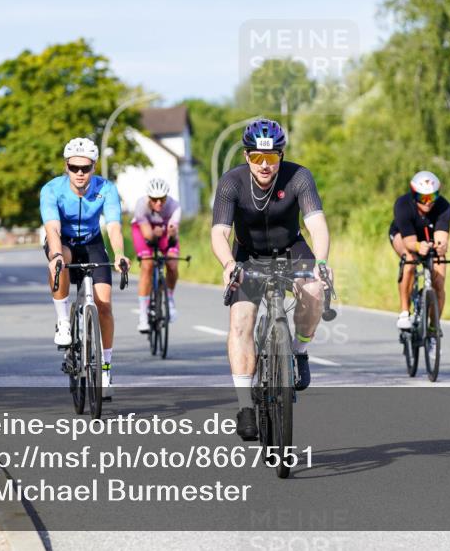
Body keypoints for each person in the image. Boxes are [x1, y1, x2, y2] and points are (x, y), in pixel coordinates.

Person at [210, 118, 332, 441]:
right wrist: (227, 263)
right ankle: (245, 405)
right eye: (257, 158)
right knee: (241, 321)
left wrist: (320, 262)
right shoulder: (231, 183)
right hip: (247, 254)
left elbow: (316, 224)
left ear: (281, 155)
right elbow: (219, 232)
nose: (265, 166)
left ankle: (298, 351)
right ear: (247, 156)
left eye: (272, 158)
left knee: (315, 291)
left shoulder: (299, 177)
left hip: (291, 248)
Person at [41, 137, 130, 400]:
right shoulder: (51, 190)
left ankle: (105, 370)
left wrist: (120, 254)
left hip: (92, 243)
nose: (80, 174)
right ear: (66, 166)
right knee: (61, 258)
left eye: (86, 168)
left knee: (104, 304)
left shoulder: (107, 188)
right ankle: (63, 322)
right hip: (63, 242)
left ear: (94, 167)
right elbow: (52, 228)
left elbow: (113, 225)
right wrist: (56, 255)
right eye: (74, 168)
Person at [388, 171, 450, 330]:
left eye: (433, 196)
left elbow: (441, 236)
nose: (428, 202)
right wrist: (418, 247)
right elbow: (409, 242)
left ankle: (433, 328)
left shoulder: (444, 206)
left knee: (439, 281)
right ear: (414, 194)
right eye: (423, 198)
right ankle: (404, 311)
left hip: (429, 237)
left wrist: (441, 245)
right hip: (404, 235)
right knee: (409, 260)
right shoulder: (403, 205)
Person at [132, 177, 183, 333]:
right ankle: (143, 313)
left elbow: (173, 238)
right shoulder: (141, 205)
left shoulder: (175, 207)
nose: (159, 203)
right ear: (149, 198)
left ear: (167, 197)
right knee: (147, 265)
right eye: (154, 199)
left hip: (165, 230)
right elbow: (148, 236)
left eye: (162, 199)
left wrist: (172, 234)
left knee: (173, 264)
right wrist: (154, 234)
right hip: (145, 230)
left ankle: (169, 298)